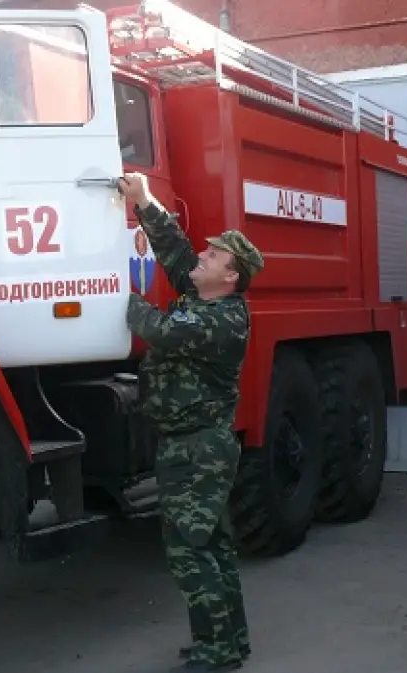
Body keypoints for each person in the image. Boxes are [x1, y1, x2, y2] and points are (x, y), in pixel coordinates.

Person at [118, 173, 264, 672]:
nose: (205, 252)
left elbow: (155, 327)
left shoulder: (222, 320)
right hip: (191, 445)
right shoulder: (207, 298)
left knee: (191, 551)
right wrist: (145, 203)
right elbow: (178, 254)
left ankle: (215, 652)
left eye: (217, 254)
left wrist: (115, 292)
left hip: (198, 450)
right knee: (210, 547)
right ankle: (228, 640)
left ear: (231, 277)